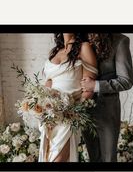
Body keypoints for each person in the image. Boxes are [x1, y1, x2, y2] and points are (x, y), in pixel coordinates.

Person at [38, 33, 97, 162]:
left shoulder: (84, 47)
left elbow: (88, 89)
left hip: (69, 115)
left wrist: (74, 113)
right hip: (50, 114)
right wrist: (41, 103)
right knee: (47, 158)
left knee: (58, 160)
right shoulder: (55, 51)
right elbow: (48, 82)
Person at [81, 33, 133, 162]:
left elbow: (126, 81)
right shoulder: (80, 38)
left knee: (108, 158)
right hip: (83, 110)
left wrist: (96, 85)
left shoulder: (120, 41)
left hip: (107, 110)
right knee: (92, 156)